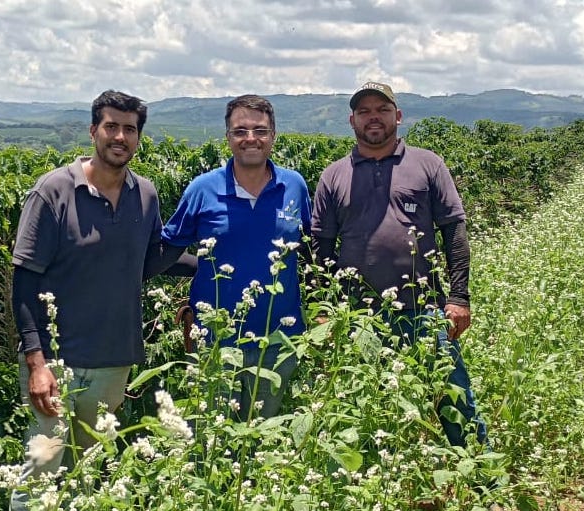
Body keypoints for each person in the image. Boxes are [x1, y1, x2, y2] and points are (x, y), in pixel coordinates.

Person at [8, 90, 192, 511]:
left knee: (88, 471)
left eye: (130, 129)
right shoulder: (53, 191)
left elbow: (148, 262)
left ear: (138, 137)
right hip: (60, 363)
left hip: (114, 359)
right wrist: (37, 363)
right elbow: (24, 282)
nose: (120, 136)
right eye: (111, 126)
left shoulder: (144, 194)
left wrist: (210, 255)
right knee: (44, 464)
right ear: (93, 131)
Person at [311, 81, 488, 449]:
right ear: (352, 120)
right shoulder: (334, 175)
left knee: (453, 398)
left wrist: (459, 297)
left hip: (424, 309)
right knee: (365, 404)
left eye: (382, 110)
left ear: (398, 116)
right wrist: (326, 307)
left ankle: (483, 486)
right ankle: (380, 487)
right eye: (364, 112)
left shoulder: (428, 164)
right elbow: (322, 245)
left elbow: (454, 231)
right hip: (358, 316)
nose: (373, 118)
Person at [161, 95, 312, 422]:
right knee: (216, 441)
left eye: (260, 130)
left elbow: (310, 250)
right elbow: (168, 250)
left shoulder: (295, 186)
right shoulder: (203, 189)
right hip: (216, 341)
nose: (250, 139)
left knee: (265, 437)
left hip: (279, 341)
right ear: (228, 137)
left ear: (273, 135)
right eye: (240, 131)